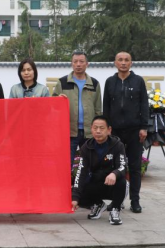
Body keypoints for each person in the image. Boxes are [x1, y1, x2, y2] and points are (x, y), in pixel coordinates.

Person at [103, 52, 149, 214]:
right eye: (120, 60)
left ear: (131, 63)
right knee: (115, 167)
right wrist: (107, 127)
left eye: (126, 60)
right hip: (115, 132)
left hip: (134, 131)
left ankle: (135, 201)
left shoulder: (138, 81)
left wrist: (144, 127)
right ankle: (117, 200)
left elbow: (144, 104)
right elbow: (106, 106)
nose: (123, 63)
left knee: (135, 167)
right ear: (115, 63)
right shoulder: (110, 82)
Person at [71, 115, 127, 226]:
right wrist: (75, 197)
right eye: (95, 128)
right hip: (96, 182)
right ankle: (98, 204)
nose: (98, 131)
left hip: (113, 184)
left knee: (121, 181)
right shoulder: (86, 147)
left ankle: (115, 209)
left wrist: (114, 173)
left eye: (102, 128)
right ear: (91, 129)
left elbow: (123, 166)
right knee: (76, 194)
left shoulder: (118, 145)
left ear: (109, 130)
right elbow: (81, 172)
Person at [53, 50, 102, 170]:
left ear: (87, 64)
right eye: (75, 61)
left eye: (81, 61)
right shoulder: (62, 82)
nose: (78, 64)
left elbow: (98, 109)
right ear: (72, 63)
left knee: (90, 164)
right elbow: (53, 106)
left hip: (89, 131)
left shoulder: (94, 83)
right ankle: (68, 183)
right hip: (69, 131)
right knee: (66, 165)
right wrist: (58, 100)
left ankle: (87, 183)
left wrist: (97, 129)